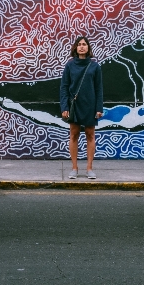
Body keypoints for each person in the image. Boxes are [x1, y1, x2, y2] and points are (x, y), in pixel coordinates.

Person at [60, 36, 103, 179]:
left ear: (88, 48)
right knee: (74, 135)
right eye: (79, 44)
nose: (82, 47)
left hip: (90, 104)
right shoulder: (70, 65)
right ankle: (74, 168)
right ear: (75, 48)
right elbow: (64, 87)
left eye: (84, 44)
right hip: (74, 105)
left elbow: (98, 88)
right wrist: (64, 106)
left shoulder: (94, 66)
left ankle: (89, 169)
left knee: (90, 135)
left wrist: (99, 107)